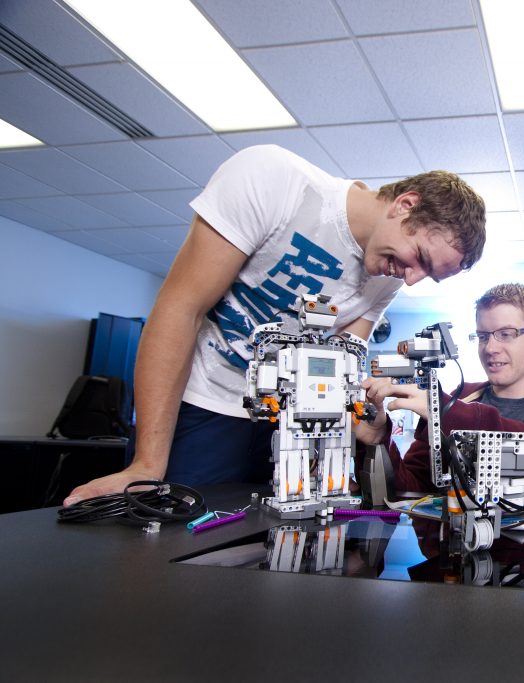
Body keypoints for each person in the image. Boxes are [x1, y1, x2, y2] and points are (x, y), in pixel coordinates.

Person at [65, 144, 486, 505]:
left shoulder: (386, 275)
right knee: (166, 547)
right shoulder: (275, 180)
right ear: (405, 205)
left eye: (428, 276)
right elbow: (181, 308)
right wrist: (147, 465)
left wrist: (368, 424)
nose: (411, 279)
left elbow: (339, 370)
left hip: (285, 426)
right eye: (421, 260)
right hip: (203, 404)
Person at [360, 283, 524, 493]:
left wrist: (446, 413)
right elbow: (412, 488)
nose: (490, 348)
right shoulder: (460, 399)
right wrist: (377, 439)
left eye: (506, 334)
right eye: (483, 336)